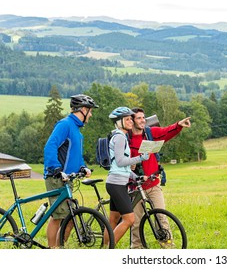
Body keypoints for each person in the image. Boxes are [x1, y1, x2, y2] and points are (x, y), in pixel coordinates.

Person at [128, 107, 191, 249]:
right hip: (135, 187)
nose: (143, 120)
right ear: (131, 121)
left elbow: (166, 132)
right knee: (136, 223)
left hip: (153, 184)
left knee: (161, 219)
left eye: (143, 117)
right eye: (139, 118)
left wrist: (178, 125)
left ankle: (169, 249)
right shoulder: (126, 139)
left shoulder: (150, 133)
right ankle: (137, 252)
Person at [43, 94, 98, 248]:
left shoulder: (77, 131)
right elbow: (50, 146)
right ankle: (52, 249)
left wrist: (82, 167)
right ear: (83, 110)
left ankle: (59, 247)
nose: (91, 115)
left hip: (68, 180)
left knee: (70, 217)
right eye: (91, 111)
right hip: (57, 177)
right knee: (59, 216)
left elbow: (76, 155)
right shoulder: (65, 124)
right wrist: (56, 168)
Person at [105, 107, 149, 245]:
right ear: (119, 122)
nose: (131, 122)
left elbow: (121, 167)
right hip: (117, 184)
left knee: (113, 219)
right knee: (129, 219)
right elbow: (120, 161)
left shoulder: (121, 136)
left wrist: (135, 177)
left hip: (117, 182)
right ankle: (109, 250)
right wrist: (140, 158)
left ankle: (104, 247)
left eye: (131, 119)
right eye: (127, 119)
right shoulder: (119, 137)